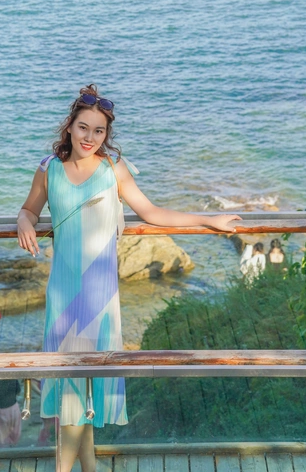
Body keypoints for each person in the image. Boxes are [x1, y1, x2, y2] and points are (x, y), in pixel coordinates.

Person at [17, 85, 241, 472]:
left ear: (107, 134)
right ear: (69, 127)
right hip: (63, 292)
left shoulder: (113, 169)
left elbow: (151, 212)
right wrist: (24, 221)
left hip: (100, 295)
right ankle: (87, 468)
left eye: (98, 130)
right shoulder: (48, 169)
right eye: (83, 127)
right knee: (72, 388)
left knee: (81, 387)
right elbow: (29, 210)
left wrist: (208, 220)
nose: (89, 137)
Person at [0, 379, 22, 447]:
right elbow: (18, 392)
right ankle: (13, 445)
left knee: (1, 433)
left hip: (0, 409)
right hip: (14, 408)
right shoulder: (14, 380)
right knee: (15, 431)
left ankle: (4, 448)